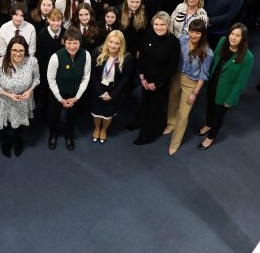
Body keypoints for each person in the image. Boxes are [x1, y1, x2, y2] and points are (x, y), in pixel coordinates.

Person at [195, 23, 254, 149]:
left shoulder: (248, 57)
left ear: (243, 38)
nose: (233, 38)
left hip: (226, 92)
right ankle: (208, 125)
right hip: (212, 84)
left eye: (238, 36)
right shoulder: (222, 41)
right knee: (209, 107)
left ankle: (211, 137)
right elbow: (213, 60)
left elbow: (241, 82)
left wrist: (230, 99)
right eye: (232, 34)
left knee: (218, 115)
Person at [164, 20, 213, 155]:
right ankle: (171, 123)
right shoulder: (182, 40)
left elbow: (203, 76)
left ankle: (175, 143)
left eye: (198, 32)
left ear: (203, 34)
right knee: (172, 101)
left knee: (184, 114)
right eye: (192, 31)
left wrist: (195, 93)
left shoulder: (207, 52)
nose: (194, 35)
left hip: (191, 82)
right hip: (176, 76)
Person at [132, 12, 180, 145]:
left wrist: (157, 83)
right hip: (145, 79)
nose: (159, 27)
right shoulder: (148, 34)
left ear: (168, 25)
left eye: (162, 24)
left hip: (159, 83)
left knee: (155, 108)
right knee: (144, 102)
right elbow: (141, 55)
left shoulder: (174, 42)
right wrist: (141, 77)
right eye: (156, 24)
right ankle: (139, 122)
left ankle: (148, 134)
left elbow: (172, 67)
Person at [0, 36, 40, 157]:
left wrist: (30, 90)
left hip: (23, 101)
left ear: (25, 51)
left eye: (21, 51)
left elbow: (37, 79)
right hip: (4, 101)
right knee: (5, 128)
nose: (18, 53)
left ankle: (18, 143)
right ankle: (5, 144)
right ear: (10, 50)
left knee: (19, 127)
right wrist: (8, 94)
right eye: (15, 50)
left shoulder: (32, 62)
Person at [46, 27, 91, 151]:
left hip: (75, 95)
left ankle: (69, 135)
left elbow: (85, 78)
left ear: (80, 43)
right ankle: (53, 134)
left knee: (72, 117)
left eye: (75, 43)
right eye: (69, 43)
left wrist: (76, 98)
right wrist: (60, 98)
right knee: (53, 117)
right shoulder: (55, 57)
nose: (72, 46)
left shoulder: (86, 55)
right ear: (63, 42)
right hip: (57, 94)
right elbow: (51, 79)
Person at [89, 30, 133, 144]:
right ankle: (97, 128)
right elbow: (93, 75)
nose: (113, 45)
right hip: (98, 88)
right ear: (107, 41)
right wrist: (100, 93)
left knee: (108, 115)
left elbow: (124, 80)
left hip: (113, 90)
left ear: (121, 45)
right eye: (111, 42)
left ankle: (104, 129)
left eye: (116, 43)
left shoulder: (126, 58)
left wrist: (112, 95)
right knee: (97, 113)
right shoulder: (97, 52)